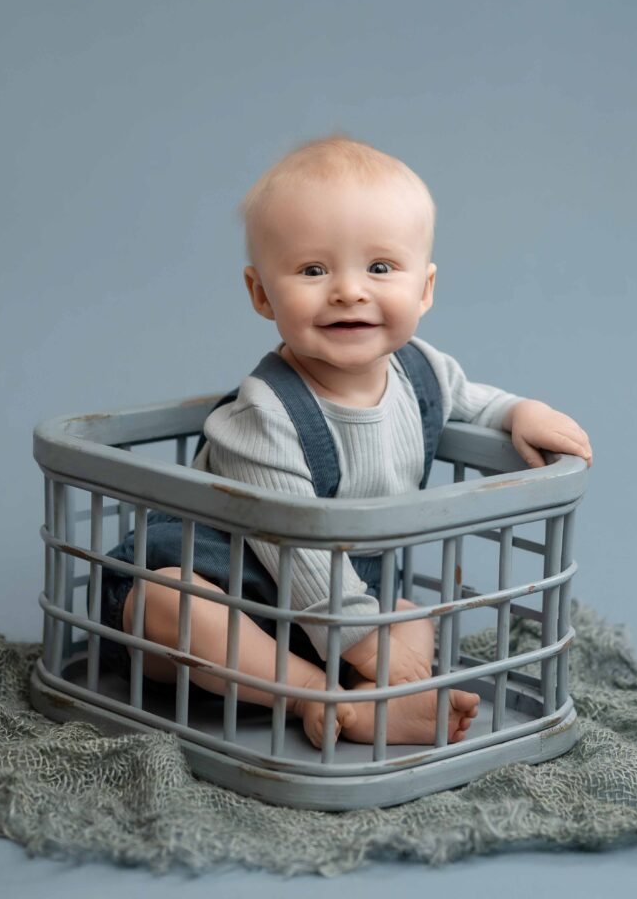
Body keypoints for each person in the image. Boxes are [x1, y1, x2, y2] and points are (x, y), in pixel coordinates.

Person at [109, 135, 593, 750]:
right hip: (225, 594)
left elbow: (469, 396)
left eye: (381, 267)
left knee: (412, 613)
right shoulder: (264, 412)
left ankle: (373, 691)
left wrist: (521, 411)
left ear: (424, 289)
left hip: (336, 606)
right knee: (169, 604)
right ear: (261, 294)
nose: (349, 290)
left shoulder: (421, 370)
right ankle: (323, 697)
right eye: (314, 270)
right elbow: (291, 544)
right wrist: (366, 646)